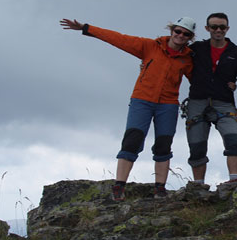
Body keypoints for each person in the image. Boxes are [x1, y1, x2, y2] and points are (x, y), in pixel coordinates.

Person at [60, 17, 195, 200]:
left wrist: (227, 86)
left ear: (190, 37)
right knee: (132, 140)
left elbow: (200, 79)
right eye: (177, 31)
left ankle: (160, 189)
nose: (180, 35)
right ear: (171, 30)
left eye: (185, 34)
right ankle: (119, 187)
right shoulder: (149, 46)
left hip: (168, 105)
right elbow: (118, 38)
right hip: (142, 100)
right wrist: (86, 28)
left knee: (163, 145)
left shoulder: (187, 58)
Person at [185, 12, 237, 183]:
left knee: (234, 140)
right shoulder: (196, 49)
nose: (218, 30)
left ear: (227, 28)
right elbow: (173, 56)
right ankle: (198, 188)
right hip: (197, 101)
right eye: (214, 27)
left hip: (225, 102)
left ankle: (234, 181)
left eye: (222, 27)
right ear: (207, 29)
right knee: (197, 146)